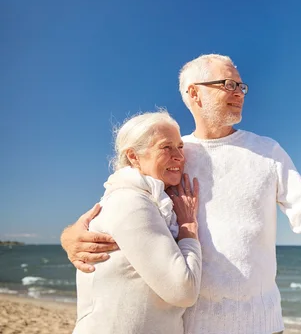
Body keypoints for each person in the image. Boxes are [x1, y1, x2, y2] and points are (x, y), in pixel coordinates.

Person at [61, 54, 301, 334]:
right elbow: (121, 204)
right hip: (192, 326)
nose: (238, 93)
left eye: (241, 86)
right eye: (227, 84)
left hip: (262, 325)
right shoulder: (173, 156)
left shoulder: (266, 152)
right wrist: (69, 236)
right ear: (193, 94)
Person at [71, 111, 203, 334]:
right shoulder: (130, 202)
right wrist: (188, 226)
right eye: (166, 147)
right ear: (133, 156)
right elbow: (184, 291)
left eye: (180, 147)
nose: (179, 156)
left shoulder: (151, 201)